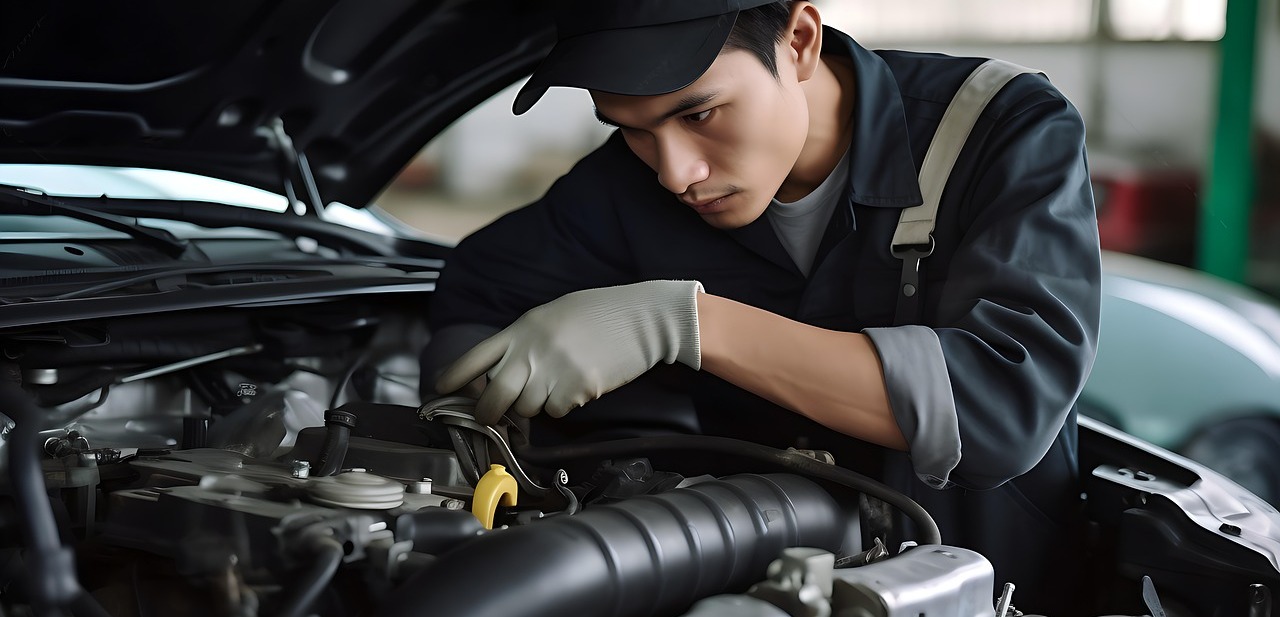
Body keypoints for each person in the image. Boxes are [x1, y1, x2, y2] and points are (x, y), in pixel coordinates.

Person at [421, 1, 1100, 613]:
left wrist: (684, 323)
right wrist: (475, 428)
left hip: (988, 590)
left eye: (699, 113)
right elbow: (481, 291)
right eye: (632, 129)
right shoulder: (626, 184)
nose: (675, 172)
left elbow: (1000, 406)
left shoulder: (995, 130)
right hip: (759, 586)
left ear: (799, 42)